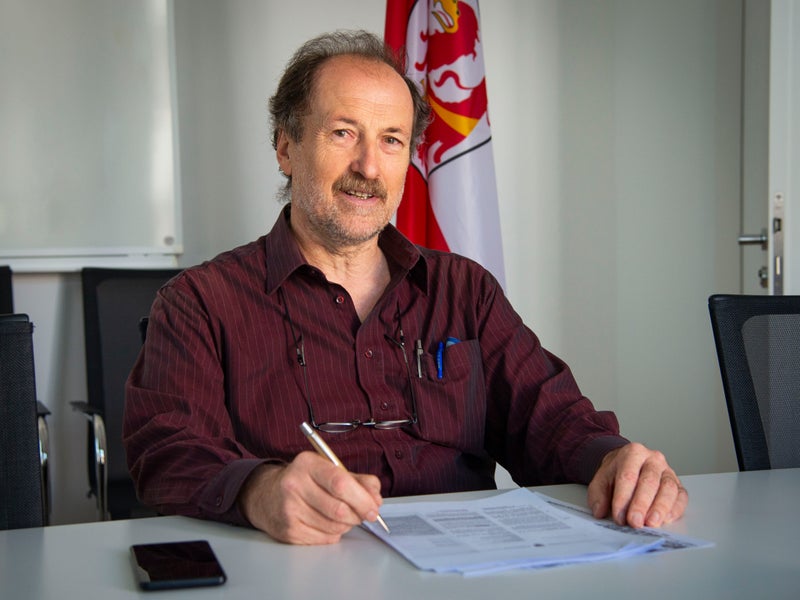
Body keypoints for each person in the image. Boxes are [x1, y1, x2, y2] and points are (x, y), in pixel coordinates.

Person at [123, 30, 688, 545]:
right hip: (302, 568)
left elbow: (548, 417)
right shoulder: (200, 302)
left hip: (466, 564)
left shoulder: (464, 289)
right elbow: (167, 450)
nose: (369, 167)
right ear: (286, 147)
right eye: (343, 133)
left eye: (391, 140)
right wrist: (258, 490)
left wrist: (611, 460)